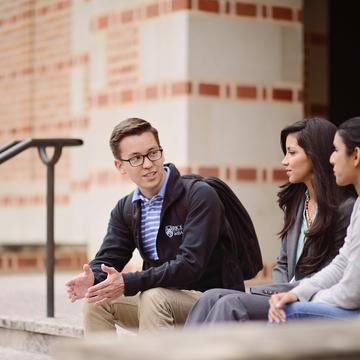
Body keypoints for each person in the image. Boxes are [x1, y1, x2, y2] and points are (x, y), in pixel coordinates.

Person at [65, 117, 245, 334]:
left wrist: (128, 282)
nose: (148, 164)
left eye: (153, 153)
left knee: (154, 296)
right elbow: (109, 258)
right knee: (96, 301)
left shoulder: (199, 195)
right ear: (119, 166)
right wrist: (95, 277)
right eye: (136, 158)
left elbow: (190, 265)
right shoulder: (127, 209)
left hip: (213, 303)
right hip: (161, 302)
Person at [185, 117, 355, 325]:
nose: (284, 161)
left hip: (309, 298)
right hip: (283, 293)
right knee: (210, 296)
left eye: (292, 153)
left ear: (315, 155)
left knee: (230, 305)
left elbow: (337, 273)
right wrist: (274, 292)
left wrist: (285, 294)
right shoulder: (298, 202)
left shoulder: (346, 209)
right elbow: (282, 264)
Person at [269, 117, 360, 322]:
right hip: (317, 296)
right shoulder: (358, 207)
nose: (331, 159)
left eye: (336, 150)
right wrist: (296, 293)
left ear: (355, 156)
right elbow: (341, 263)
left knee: (289, 312)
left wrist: (305, 297)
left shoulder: (348, 207)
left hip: (348, 308)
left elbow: (352, 292)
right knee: (216, 297)